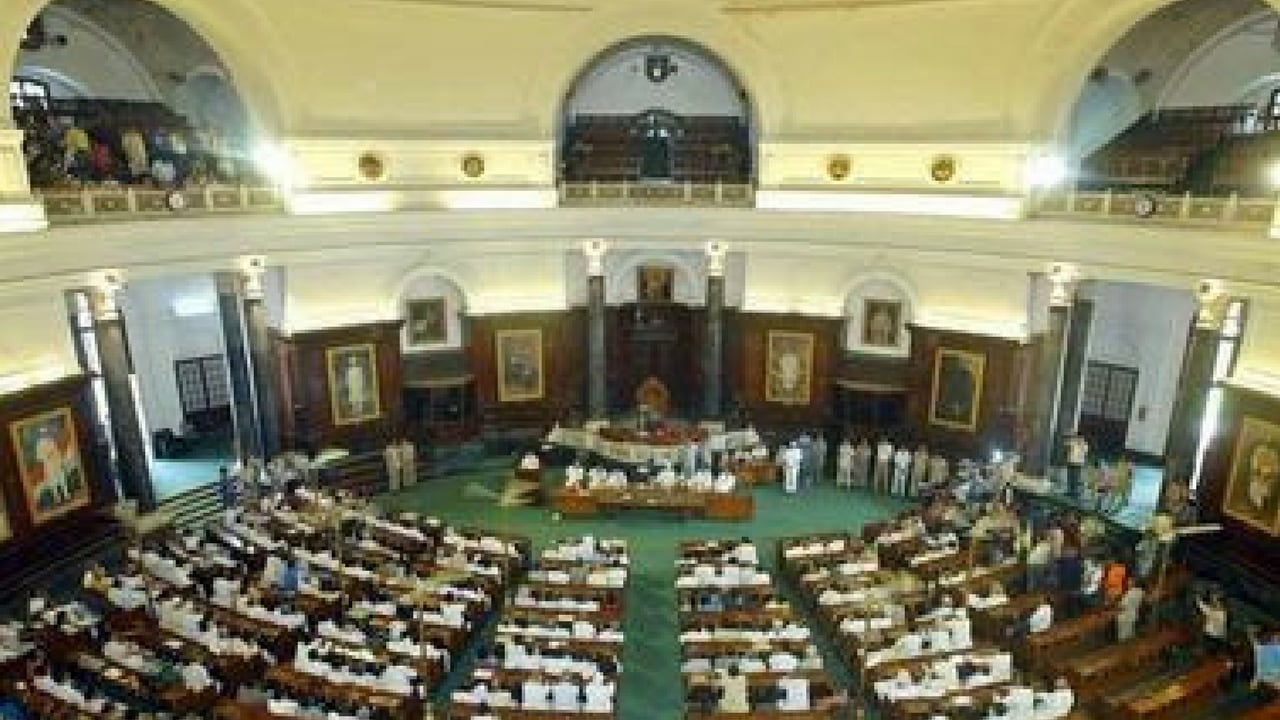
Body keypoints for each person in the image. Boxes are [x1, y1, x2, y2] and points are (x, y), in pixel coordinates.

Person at [1065, 434, 1088, 502]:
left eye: (1081, 438)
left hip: (1078, 463)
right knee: (1070, 477)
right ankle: (1070, 491)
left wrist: (1080, 444)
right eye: (1078, 438)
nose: (1079, 440)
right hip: (1071, 462)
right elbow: (1066, 444)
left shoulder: (1084, 445)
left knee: (1076, 478)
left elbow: (1085, 451)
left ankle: (1075, 492)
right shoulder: (1073, 443)